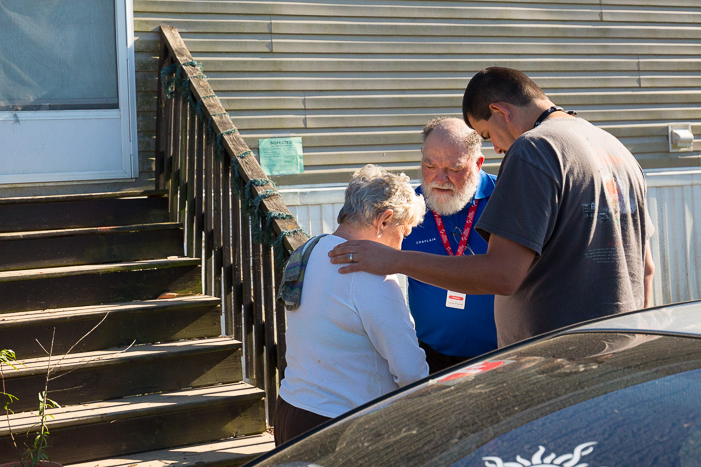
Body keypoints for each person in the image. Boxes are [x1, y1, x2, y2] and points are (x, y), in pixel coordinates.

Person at [327, 67, 655, 348]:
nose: (498, 148)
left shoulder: (534, 148)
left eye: (487, 134)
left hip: (555, 359)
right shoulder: (615, 149)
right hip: (620, 346)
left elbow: (502, 275)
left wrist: (394, 260)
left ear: (501, 112)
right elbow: (646, 268)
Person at [274, 164, 429, 446]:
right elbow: (410, 372)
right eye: (403, 233)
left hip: (290, 410)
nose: (401, 246)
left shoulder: (308, 251)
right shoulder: (370, 275)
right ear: (384, 221)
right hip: (342, 429)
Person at [404, 117, 497, 372]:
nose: (440, 178)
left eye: (455, 168)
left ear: (478, 164)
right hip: (430, 356)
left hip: (502, 355)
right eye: (429, 164)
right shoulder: (407, 207)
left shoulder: (506, 197)